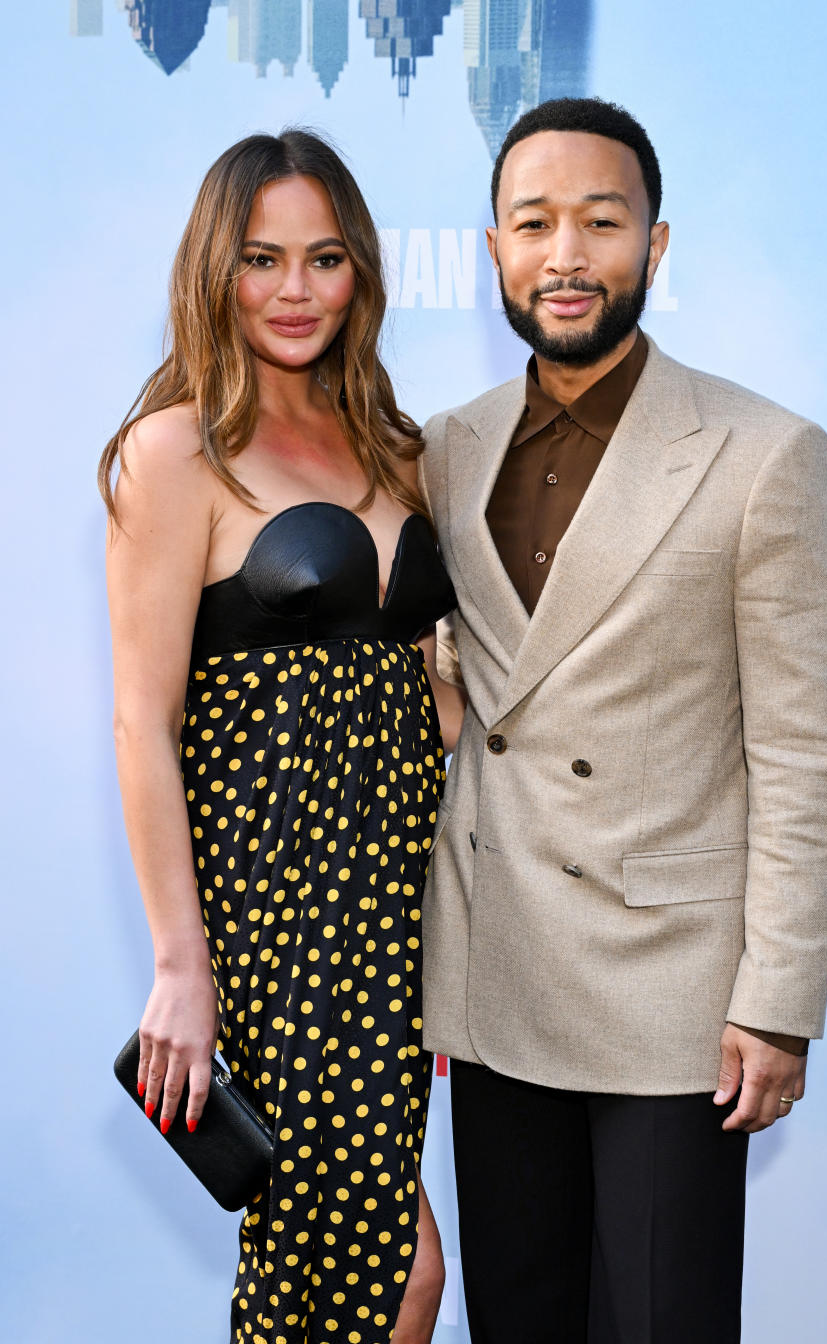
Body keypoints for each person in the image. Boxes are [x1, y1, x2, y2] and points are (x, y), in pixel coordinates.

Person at [419, 98, 827, 1343]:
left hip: (675, 1000)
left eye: (601, 223)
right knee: (521, 1319)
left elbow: (803, 756)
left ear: (655, 246)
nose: (568, 254)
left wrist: (778, 1002)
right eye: (535, 223)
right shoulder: (445, 450)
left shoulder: (765, 454)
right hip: (499, 980)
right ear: (493, 248)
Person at [100, 128, 462, 1344]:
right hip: (275, 929)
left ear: (360, 270)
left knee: (364, 1282)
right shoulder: (174, 455)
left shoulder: (402, 452)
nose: (294, 291)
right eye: (262, 260)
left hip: (393, 924)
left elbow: (436, 704)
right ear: (216, 271)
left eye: (323, 259)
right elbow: (141, 726)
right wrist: (179, 968)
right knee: (383, 1274)